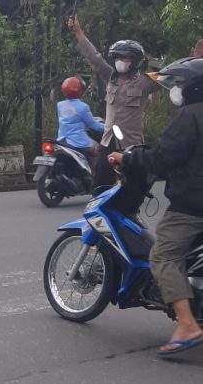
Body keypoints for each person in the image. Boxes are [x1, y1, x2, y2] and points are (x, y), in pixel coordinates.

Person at [108, 57, 203, 356]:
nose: (176, 89)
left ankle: (187, 324)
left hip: (193, 205)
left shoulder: (190, 116)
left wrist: (127, 159)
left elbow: (163, 159)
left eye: (179, 84)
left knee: (161, 256)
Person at [68, 14, 158, 193]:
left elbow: (174, 79)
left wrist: (194, 60)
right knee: (99, 188)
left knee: (133, 190)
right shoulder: (110, 77)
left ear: (134, 61)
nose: (119, 62)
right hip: (108, 141)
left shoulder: (145, 83)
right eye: (117, 57)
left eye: (123, 58)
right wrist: (78, 31)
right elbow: (94, 57)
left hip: (131, 145)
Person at [56, 76, 105, 161]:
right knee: (98, 149)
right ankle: (94, 173)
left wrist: (93, 118)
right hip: (78, 141)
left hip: (62, 140)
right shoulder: (83, 107)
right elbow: (94, 125)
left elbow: (73, 117)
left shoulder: (60, 105)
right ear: (80, 91)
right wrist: (109, 127)